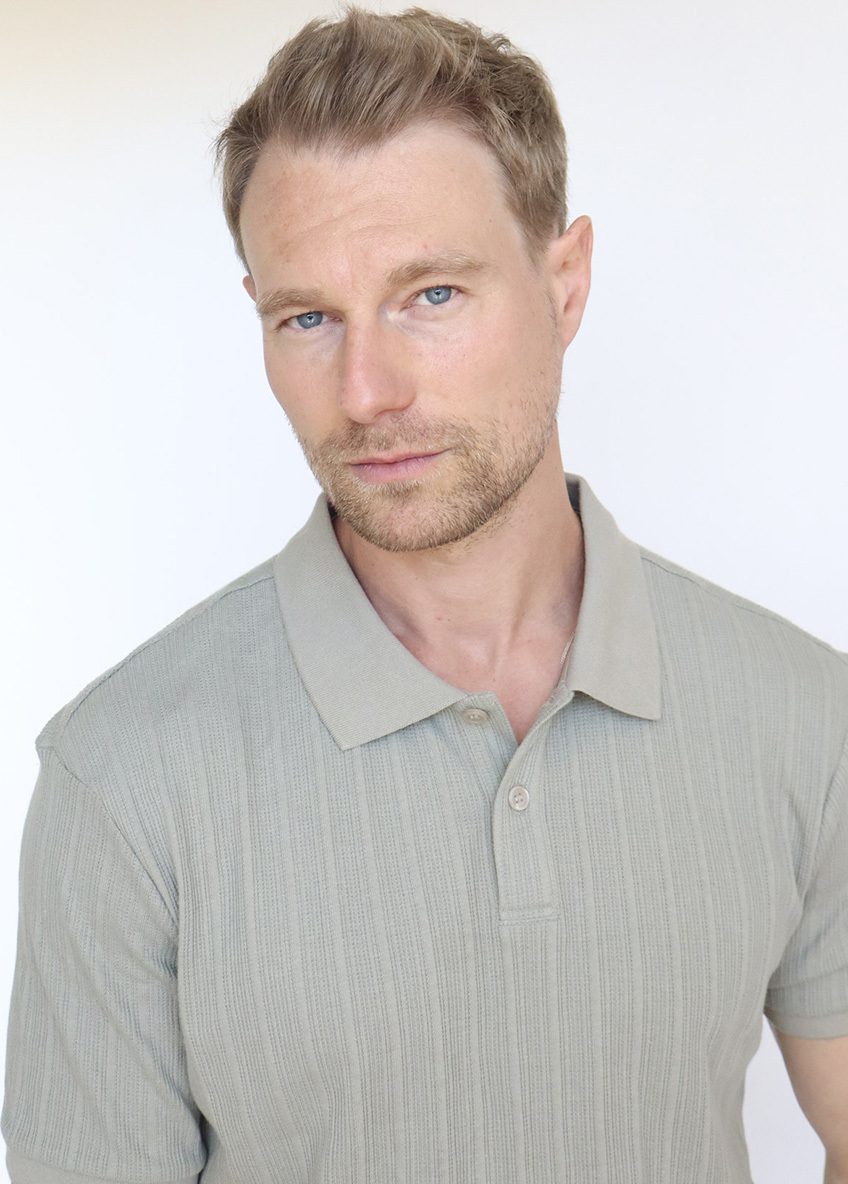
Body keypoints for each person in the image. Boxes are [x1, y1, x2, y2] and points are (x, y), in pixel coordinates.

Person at [3, 7, 847, 1182]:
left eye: (432, 295)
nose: (365, 391)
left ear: (564, 283)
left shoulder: (804, 715)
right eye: (307, 317)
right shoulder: (122, 776)